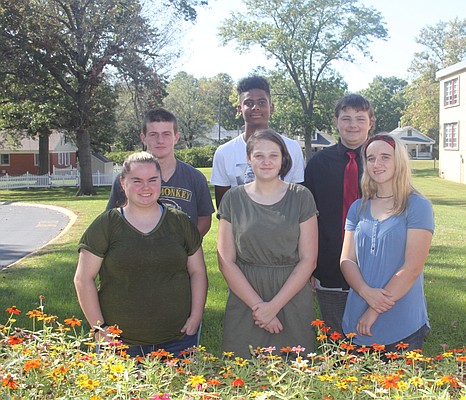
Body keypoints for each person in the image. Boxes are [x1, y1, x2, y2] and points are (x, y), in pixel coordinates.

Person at [75, 152, 208, 357]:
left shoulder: (180, 223)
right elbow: (83, 278)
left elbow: (198, 272)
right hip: (120, 344)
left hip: (178, 340)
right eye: (137, 181)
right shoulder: (107, 224)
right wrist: (99, 328)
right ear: (122, 183)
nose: (146, 187)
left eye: (152, 180)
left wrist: (196, 316)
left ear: (160, 181)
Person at [217, 129, 318, 358]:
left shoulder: (302, 197)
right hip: (246, 297)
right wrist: (259, 307)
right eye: (259, 155)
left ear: (283, 159)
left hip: (291, 296)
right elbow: (225, 261)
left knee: (294, 376)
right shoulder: (233, 199)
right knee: (242, 374)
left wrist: (273, 307)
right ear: (248, 158)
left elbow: (309, 259)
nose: (266, 162)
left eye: (273, 155)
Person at [340, 134, 434, 351]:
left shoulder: (417, 206)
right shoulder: (357, 208)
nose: (376, 164)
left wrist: (373, 310)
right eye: (371, 158)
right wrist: (365, 292)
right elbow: (347, 259)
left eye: (385, 157)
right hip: (356, 318)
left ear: (398, 161)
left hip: (401, 321)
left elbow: (412, 268)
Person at [303, 94, 375, 335]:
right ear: (335, 121)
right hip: (329, 262)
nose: (352, 124)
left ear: (370, 122)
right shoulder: (318, 164)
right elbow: (308, 220)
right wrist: (311, 267)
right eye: (346, 118)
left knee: (372, 333)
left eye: (359, 118)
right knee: (334, 334)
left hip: (373, 262)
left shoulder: (383, 163)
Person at [106, 108, 214, 238]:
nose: (160, 140)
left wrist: (187, 244)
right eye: (153, 134)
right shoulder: (126, 180)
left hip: (183, 255)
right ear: (143, 138)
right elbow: (111, 219)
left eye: (166, 134)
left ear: (176, 137)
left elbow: (204, 218)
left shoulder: (195, 178)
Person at [211, 75, 304, 208]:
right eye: (249, 103)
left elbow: (298, 200)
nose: (255, 107)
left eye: (261, 102)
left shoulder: (292, 148)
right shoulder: (224, 152)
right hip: (241, 228)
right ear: (239, 109)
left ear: (271, 107)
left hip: (284, 226)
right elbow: (224, 208)